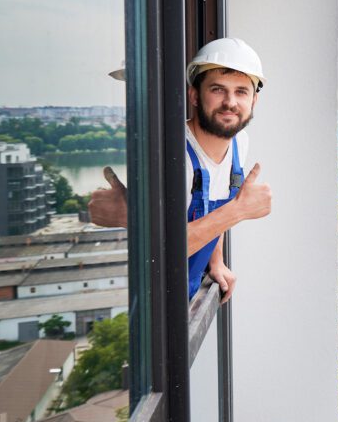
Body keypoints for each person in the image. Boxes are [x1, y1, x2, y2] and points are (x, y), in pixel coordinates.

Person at [89, 38, 272, 301]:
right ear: (195, 95)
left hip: (190, 294)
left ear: (253, 100)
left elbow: (214, 204)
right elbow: (163, 250)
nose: (230, 102)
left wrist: (216, 261)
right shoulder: (171, 156)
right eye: (218, 89)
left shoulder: (238, 143)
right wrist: (239, 210)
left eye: (241, 91)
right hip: (157, 309)